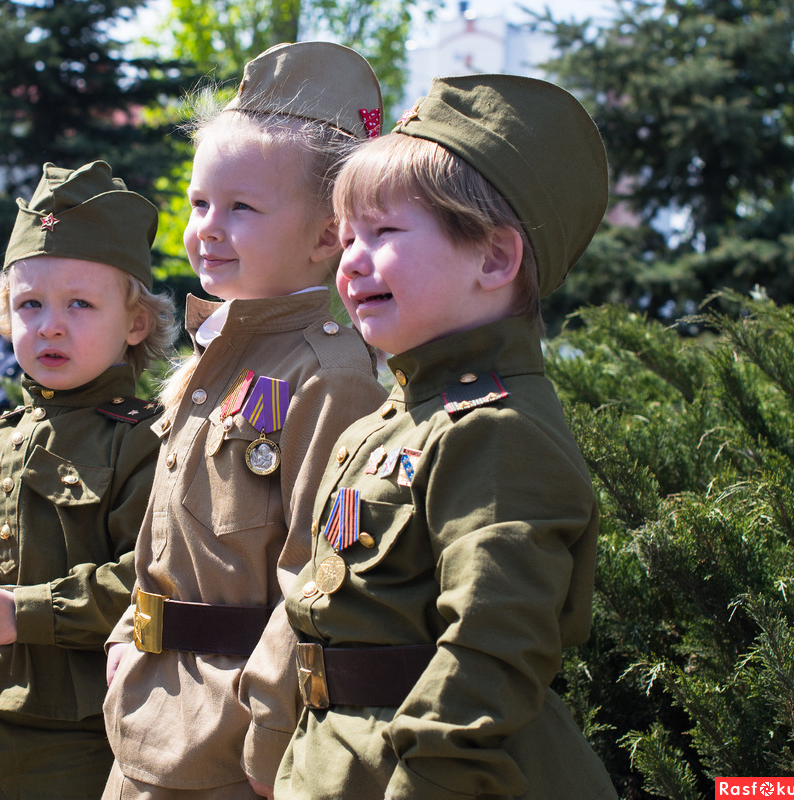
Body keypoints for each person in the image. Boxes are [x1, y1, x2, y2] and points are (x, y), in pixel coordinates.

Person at [274, 75, 619, 799]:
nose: (352, 260)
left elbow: (495, 643)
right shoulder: (396, 417)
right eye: (349, 236)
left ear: (494, 259)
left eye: (386, 233)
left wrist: (428, 780)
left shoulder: (497, 430)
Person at [101, 42, 389, 799]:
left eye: (241, 208)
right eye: (199, 204)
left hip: (231, 754)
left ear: (327, 235)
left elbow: (315, 583)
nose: (206, 228)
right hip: (144, 720)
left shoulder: (330, 379)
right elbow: (163, 541)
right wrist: (121, 645)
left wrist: (267, 743)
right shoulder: (212, 357)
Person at [0, 159, 177, 800]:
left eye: (80, 303)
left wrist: (26, 613)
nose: (49, 324)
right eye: (30, 304)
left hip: (90, 735)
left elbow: (156, 580)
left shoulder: (146, 441)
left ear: (135, 323)